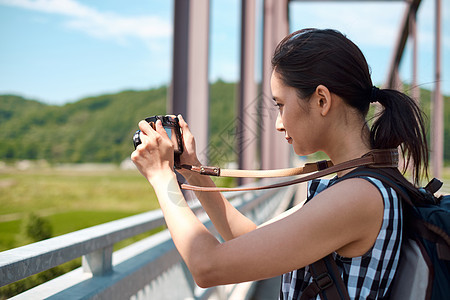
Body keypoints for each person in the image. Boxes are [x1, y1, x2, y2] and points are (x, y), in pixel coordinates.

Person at [131, 28, 429, 299]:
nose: (277, 123)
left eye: (281, 105)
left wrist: (161, 177)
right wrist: (192, 168)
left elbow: (207, 268)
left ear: (322, 100)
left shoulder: (358, 196)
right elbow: (251, 241)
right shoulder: (353, 184)